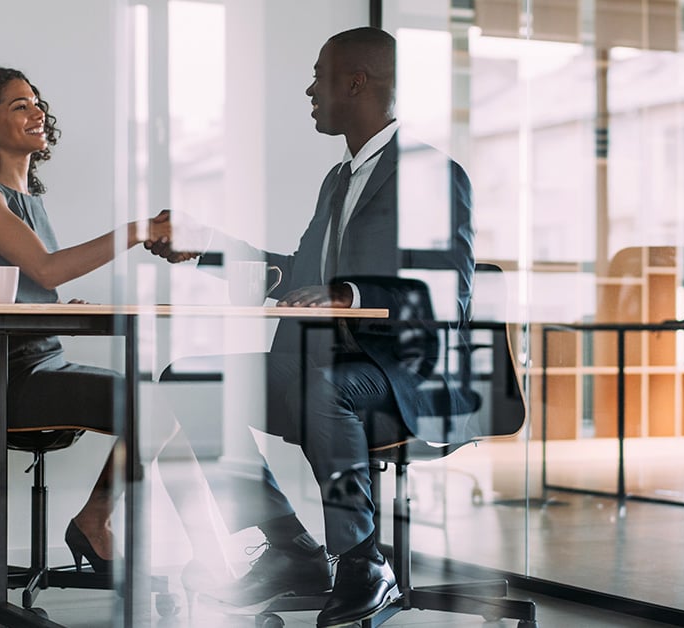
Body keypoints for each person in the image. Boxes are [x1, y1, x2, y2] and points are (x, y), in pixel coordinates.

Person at [148, 27, 475, 627]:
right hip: (316, 364)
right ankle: (289, 545)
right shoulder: (338, 181)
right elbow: (295, 277)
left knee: (327, 386)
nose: (309, 89)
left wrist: (348, 294)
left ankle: (360, 559)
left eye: (319, 76)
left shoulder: (431, 173)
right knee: (190, 377)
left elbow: (447, 296)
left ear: (356, 81)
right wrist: (207, 246)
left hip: (398, 373)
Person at [0, 64, 178, 574]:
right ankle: (96, 522)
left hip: (44, 362)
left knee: (159, 406)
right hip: (0, 375)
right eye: (18, 106)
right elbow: (46, 267)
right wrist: (134, 231)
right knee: (149, 405)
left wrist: (57, 311)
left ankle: (95, 518)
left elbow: (31, 285)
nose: (36, 112)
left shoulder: (30, 202)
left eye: (37, 101)